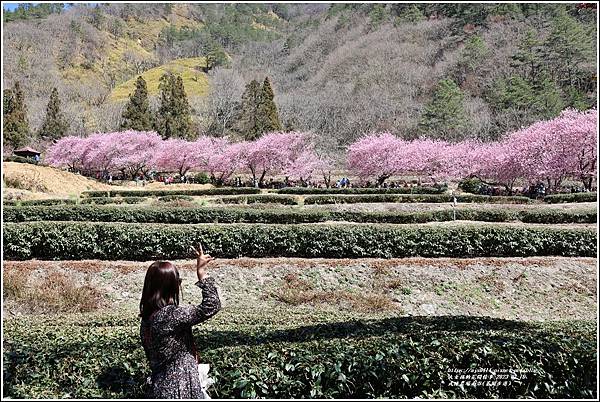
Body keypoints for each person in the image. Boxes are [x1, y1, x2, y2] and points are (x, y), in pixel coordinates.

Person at [140, 244, 221, 399]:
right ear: (170, 286)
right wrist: (202, 274)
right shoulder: (170, 316)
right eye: (178, 280)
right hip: (180, 387)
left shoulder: (147, 319)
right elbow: (212, 305)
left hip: (160, 387)